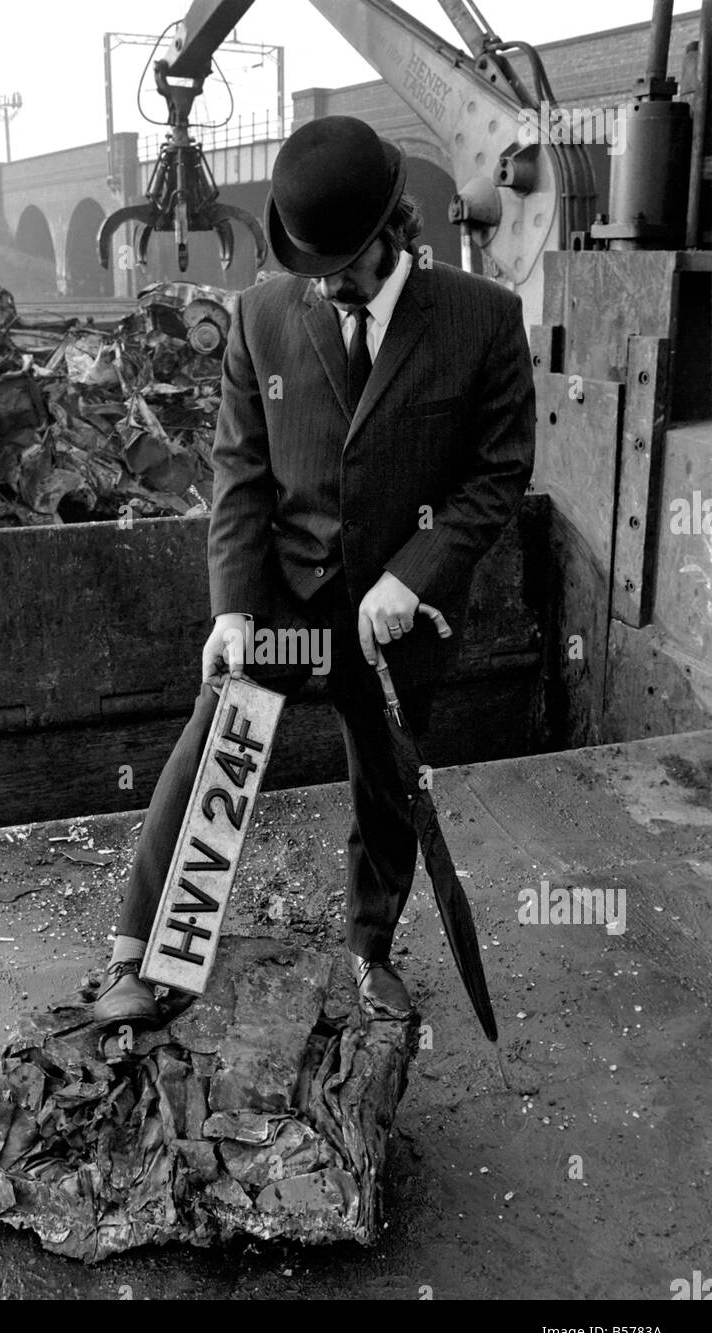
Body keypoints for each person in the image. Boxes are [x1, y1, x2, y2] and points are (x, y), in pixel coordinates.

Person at [95, 114, 535, 1026]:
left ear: (393, 233)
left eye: (342, 261)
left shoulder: (482, 320)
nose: (325, 281)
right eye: (311, 260)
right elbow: (241, 479)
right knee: (216, 736)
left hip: (395, 622)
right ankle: (143, 953)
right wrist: (230, 613)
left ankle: (368, 950)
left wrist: (413, 576)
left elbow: (498, 473)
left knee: (385, 786)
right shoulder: (262, 318)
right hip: (287, 602)